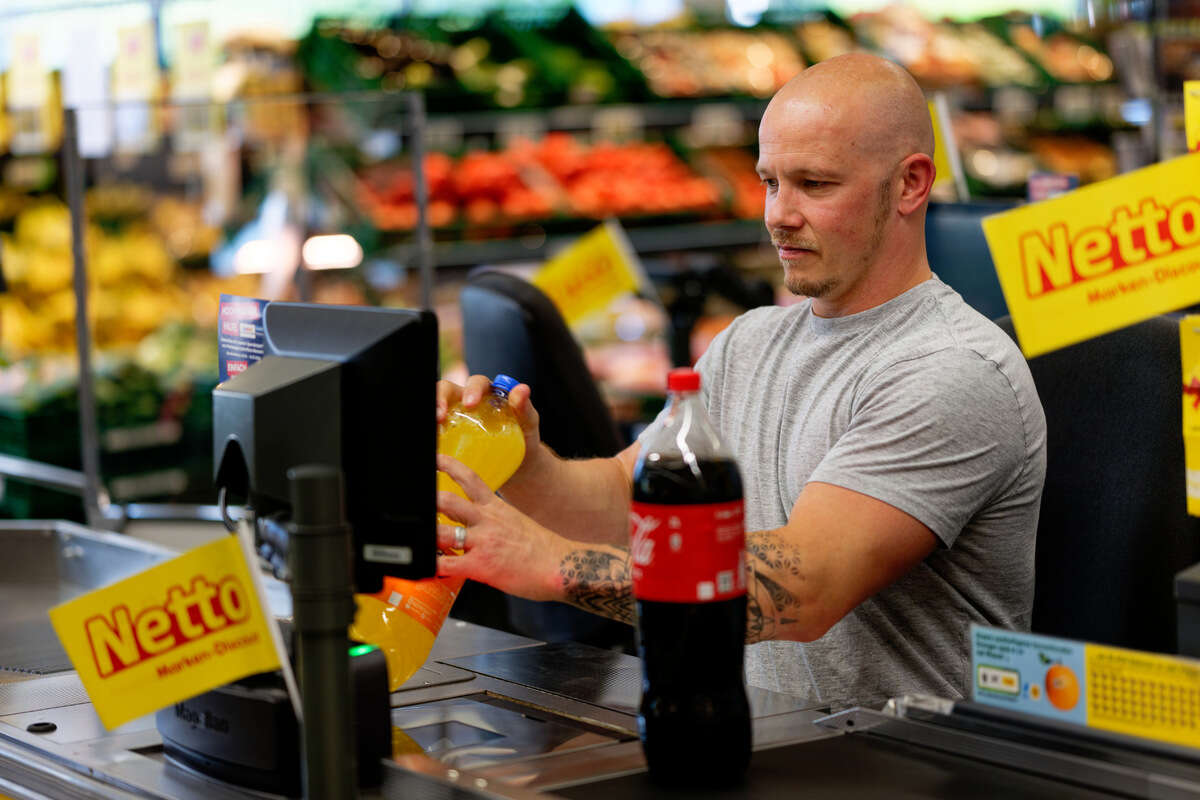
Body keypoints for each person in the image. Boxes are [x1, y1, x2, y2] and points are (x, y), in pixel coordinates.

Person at [434, 53, 1047, 707]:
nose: (778, 214)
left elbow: (802, 587)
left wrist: (552, 564)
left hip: (905, 764)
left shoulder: (952, 371)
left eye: (814, 184)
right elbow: (625, 502)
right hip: (764, 742)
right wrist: (526, 465)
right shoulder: (748, 342)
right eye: (770, 182)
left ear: (910, 185)